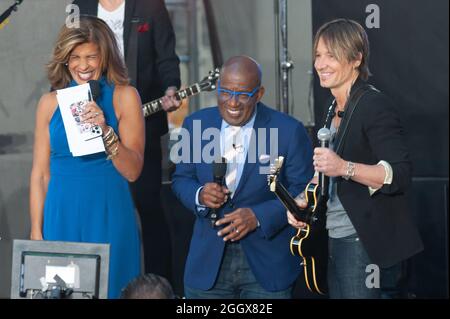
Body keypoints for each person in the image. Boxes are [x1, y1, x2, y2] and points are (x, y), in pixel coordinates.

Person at [287, 19, 423, 299]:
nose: (321, 64)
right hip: (334, 236)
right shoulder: (333, 108)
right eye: (318, 55)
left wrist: (343, 167)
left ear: (356, 58)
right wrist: (300, 201)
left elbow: (399, 174)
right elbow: (325, 169)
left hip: (362, 241)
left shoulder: (373, 104)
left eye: (331, 55)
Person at [171, 56, 314, 299]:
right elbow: (181, 179)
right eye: (226, 92)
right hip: (207, 266)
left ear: (259, 94)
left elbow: (304, 192)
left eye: (243, 94)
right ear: (217, 89)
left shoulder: (289, 130)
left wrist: (258, 216)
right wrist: (200, 195)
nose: (233, 102)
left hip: (268, 266)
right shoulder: (196, 124)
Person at [29, 16, 144, 299]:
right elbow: (41, 174)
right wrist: (36, 229)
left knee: (113, 289)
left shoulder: (125, 96)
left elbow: (133, 171)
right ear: (65, 59)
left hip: (108, 211)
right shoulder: (48, 103)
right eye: (75, 57)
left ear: (105, 57)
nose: (83, 65)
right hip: (60, 213)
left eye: (91, 56)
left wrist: (106, 130)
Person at [71, 0, 181, 281]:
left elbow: (166, 55)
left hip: (142, 116)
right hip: (88, 114)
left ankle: (159, 283)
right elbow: (67, 52)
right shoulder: (78, 5)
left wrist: (171, 87)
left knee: (148, 204)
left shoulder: (150, 6)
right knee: (96, 204)